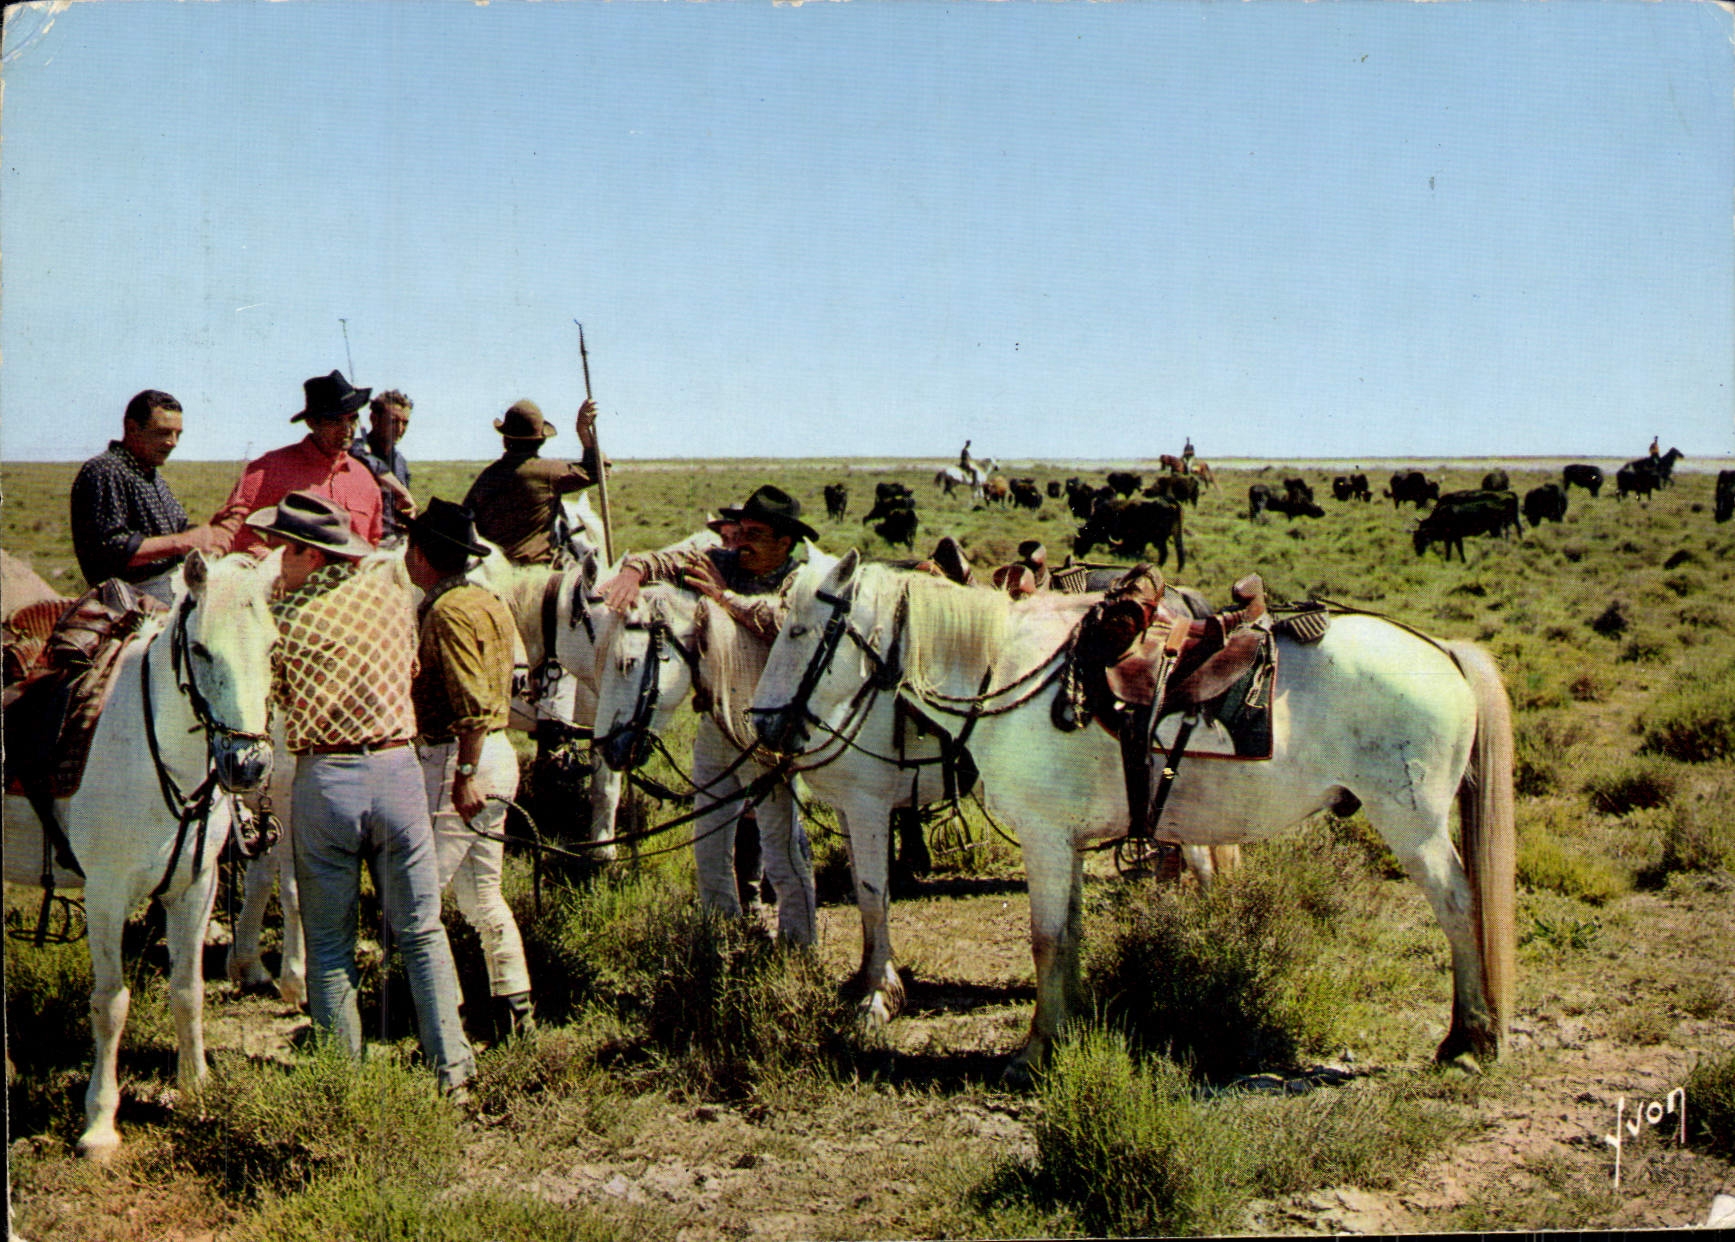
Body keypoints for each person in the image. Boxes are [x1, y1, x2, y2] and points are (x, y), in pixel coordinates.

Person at [245, 489, 473, 1097]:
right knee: (422, 930)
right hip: (398, 771)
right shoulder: (394, 594)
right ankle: (452, 1073)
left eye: (280, 549)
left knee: (327, 942)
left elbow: (274, 698)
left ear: (307, 554)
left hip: (327, 780)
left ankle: (342, 1085)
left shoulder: (282, 619)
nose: (273, 559)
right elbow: (412, 671)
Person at [600, 484, 817, 944]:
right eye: (741, 531)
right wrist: (635, 570)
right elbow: (669, 561)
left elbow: (785, 623)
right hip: (716, 726)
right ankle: (720, 941)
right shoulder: (725, 561)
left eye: (756, 534)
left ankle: (799, 951)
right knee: (709, 841)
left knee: (781, 849)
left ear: (784, 543)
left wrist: (725, 600)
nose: (741, 541)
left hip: (769, 734)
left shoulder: (802, 581)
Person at [404, 498, 536, 1041]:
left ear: (420, 557)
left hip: (460, 760)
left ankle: (445, 1026)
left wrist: (463, 774)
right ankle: (513, 1011)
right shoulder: (489, 600)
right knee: (482, 895)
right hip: (494, 755)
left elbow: (472, 701)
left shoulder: (447, 611)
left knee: (421, 901)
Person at [209, 370, 383, 557]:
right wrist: (272, 564)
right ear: (311, 422)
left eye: (353, 418)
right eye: (335, 420)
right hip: (289, 583)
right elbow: (230, 527)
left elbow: (373, 541)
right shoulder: (270, 469)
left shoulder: (364, 479)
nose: (347, 429)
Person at [69, 390, 221, 602]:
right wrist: (184, 542)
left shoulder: (150, 475)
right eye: (163, 432)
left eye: (178, 434)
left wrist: (210, 533)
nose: (173, 442)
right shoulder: (105, 470)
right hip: (129, 597)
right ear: (132, 428)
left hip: (168, 585)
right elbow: (112, 551)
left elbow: (179, 530)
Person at [462, 398, 601, 566]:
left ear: (505, 439)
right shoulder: (550, 472)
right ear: (540, 440)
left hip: (494, 573)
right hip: (535, 574)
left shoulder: (488, 475)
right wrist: (583, 429)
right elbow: (599, 470)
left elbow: (464, 519)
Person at [350, 389, 417, 545]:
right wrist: (402, 493)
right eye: (393, 421)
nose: (400, 429)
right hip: (363, 541)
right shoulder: (355, 452)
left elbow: (404, 505)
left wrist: (408, 514)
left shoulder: (400, 462)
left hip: (397, 541)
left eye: (405, 422)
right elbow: (373, 464)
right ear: (374, 419)